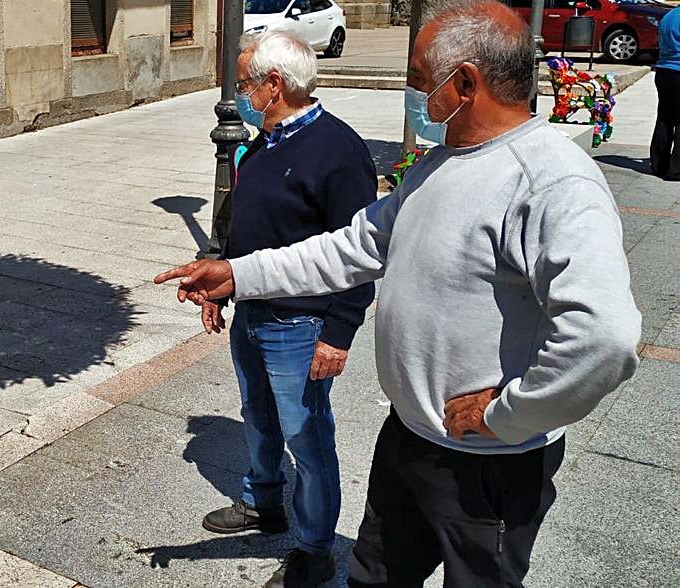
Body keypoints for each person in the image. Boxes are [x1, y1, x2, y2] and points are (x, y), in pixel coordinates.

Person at [155, 1, 641, 585]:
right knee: (374, 576)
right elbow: (351, 247)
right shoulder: (438, 164)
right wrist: (238, 274)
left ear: (465, 82)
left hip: (488, 462)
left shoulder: (552, 181)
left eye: (418, 82)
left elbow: (605, 338)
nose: (416, 97)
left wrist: (507, 414)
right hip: (410, 438)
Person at [198, 29, 376, 588]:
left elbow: (360, 254)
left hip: (301, 323)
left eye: (248, 80)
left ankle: (314, 548)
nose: (243, 90)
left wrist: (339, 332)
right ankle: (263, 502)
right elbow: (246, 228)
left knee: (307, 435)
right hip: (252, 310)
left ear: (274, 85)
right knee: (257, 413)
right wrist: (222, 287)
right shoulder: (261, 143)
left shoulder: (339, 150)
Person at [651, 6, 680, 180]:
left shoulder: (669, 16)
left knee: (664, 118)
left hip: (663, 71)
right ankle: (676, 169)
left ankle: (658, 165)